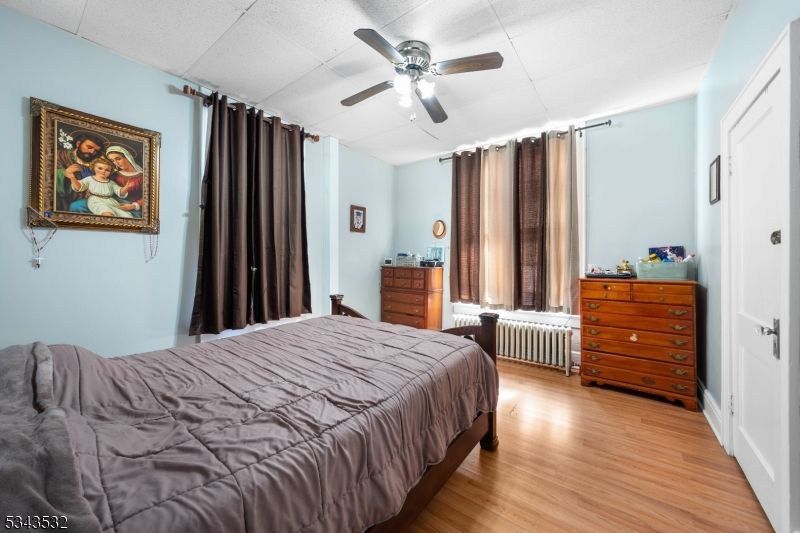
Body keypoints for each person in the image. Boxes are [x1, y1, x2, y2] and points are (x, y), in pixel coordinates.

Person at [55, 130, 107, 213]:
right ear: (78, 144)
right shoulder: (61, 155)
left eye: (96, 151)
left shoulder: (98, 163)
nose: (92, 152)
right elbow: (48, 175)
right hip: (66, 201)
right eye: (89, 147)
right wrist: (64, 173)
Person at [64, 158, 134, 218]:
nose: (103, 171)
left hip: (111, 202)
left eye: (107, 170)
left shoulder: (111, 182)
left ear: (110, 172)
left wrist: (126, 187)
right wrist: (72, 178)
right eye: (100, 168)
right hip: (96, 201)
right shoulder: (90, 179)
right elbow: (79, 187)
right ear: (94, 168)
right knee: (107, 214)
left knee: (125, 215)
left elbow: (120, 192)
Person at [105, 146, 144, 218]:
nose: (116, 163)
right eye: (112, 161)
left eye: (118, 159)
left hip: (132, 208)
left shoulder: (142, 177)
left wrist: (133, 206)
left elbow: (147, 197)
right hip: (113, 204)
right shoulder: (114, 175)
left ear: (127, 157)